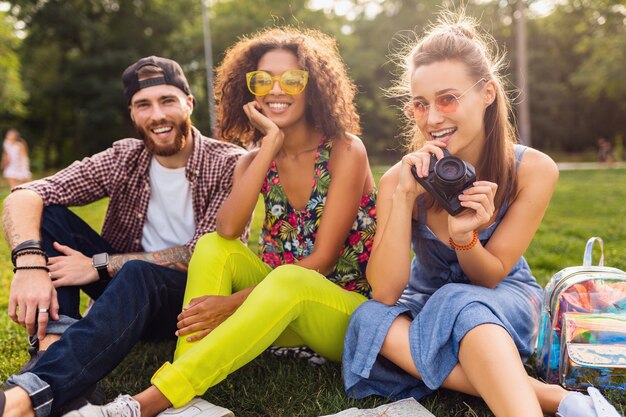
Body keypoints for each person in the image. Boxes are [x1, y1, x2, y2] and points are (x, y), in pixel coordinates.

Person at [66, 26, 377, 417]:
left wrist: (232, 304)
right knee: (214, 247)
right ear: (250, 90)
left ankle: (148, 402)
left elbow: (323, 261)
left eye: (292, 79)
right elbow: (227, 230)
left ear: (313, 87)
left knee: (292, 277)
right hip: (278, 307)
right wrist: (269, 146)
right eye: (263, 80)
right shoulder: (252, 159)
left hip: (343, 315)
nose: (276, 90)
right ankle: (190, 403)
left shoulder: (347, 150)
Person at [341, 11, 620, 417]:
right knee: (369, 317)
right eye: (420, 105)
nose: (433, 118)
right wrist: (403, 199)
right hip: (425, 298)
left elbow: (488, 276)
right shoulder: (400, 181)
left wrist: (465, 235)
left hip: (502, 297)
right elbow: (385, 292)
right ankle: (560, 401)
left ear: (487, 93)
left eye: (447, 99)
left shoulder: (533, 170)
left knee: (462, 301)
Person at [0, 56, 246, 417]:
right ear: (132, 114)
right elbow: (26, 194)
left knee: (137, 272)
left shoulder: (229, 162)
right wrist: (29, 266)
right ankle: (53, 348)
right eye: (143, 105)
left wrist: (101, 264)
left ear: (188, 103)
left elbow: (202, 252)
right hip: (121, 289)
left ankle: (26, 397)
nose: (157, 115)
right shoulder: (124, 157)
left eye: (167, 100)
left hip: (189, 300)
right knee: (50, 215)